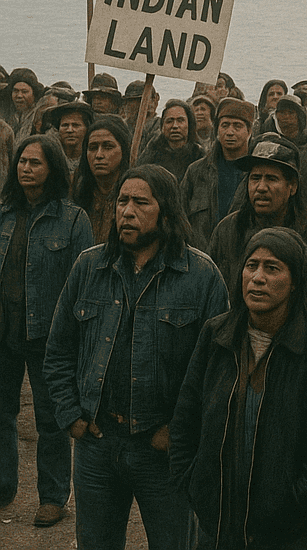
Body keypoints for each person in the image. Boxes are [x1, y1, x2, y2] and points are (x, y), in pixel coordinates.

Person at [45, 165, 229, 549]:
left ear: (166, 210)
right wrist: (72, 416)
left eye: (140, 202)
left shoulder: (201, 276)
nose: (126, 211)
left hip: (163, 452)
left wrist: (176, 432)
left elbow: (217, 371)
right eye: (122, 201)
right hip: (97, 442)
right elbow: (59, 349)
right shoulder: (88, 266)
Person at [171, 227, 307, 550]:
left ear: (295, 281)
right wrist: (196, 484)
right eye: (251, 266)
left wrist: (292, 500)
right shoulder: (217, 336)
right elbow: (186, 417)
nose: (257, 277)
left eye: (272, 268)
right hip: (219, 530)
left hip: (292, 533)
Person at [0, 134, 93, 527]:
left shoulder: (73, 219)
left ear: (52, 167)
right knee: (1, 414)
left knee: (52, 419)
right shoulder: (3, 213)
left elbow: (84, 288)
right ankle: (3, 487)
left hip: (48, 337)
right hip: (4, 334)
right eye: (22, 161)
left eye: (35, 162)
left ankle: (53, 497)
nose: (25, 168)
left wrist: (75, 339)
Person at [207, 136, 307, 294]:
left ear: (292, 186)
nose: (261, 187)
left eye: (271, 178)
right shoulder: (227, 231)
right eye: (255, 178)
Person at [181, 97, 256, 250]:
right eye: (225, 125)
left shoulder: (256, 173)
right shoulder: (196, 172)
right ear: (216, 131)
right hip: (200, 258)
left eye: (237, 126)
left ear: (249, 131)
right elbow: (179, 215)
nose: (230, 132)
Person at [72, 114, 133, 243]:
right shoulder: (75, 192)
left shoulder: (133, 196)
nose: (99, 155)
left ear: (123, 150)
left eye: (108, 147)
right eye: (93, 148)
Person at [138, 99, 204, 182]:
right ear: (162, 127)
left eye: (180, 120)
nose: (175, 126)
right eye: (169, 121)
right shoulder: (151, 154)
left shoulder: (199, 155)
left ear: (189, 124)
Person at [43, 99, 94, 176]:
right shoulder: (50, 157)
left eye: (76, 125)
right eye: (65, 125)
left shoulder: (92, 158)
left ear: (86, 128)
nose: (70, 130)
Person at [0, 68, 45, 142]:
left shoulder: (40, 113)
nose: (19, 95)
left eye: (24, 91)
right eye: (15, 91)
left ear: (34, 94)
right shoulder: (6, 111)